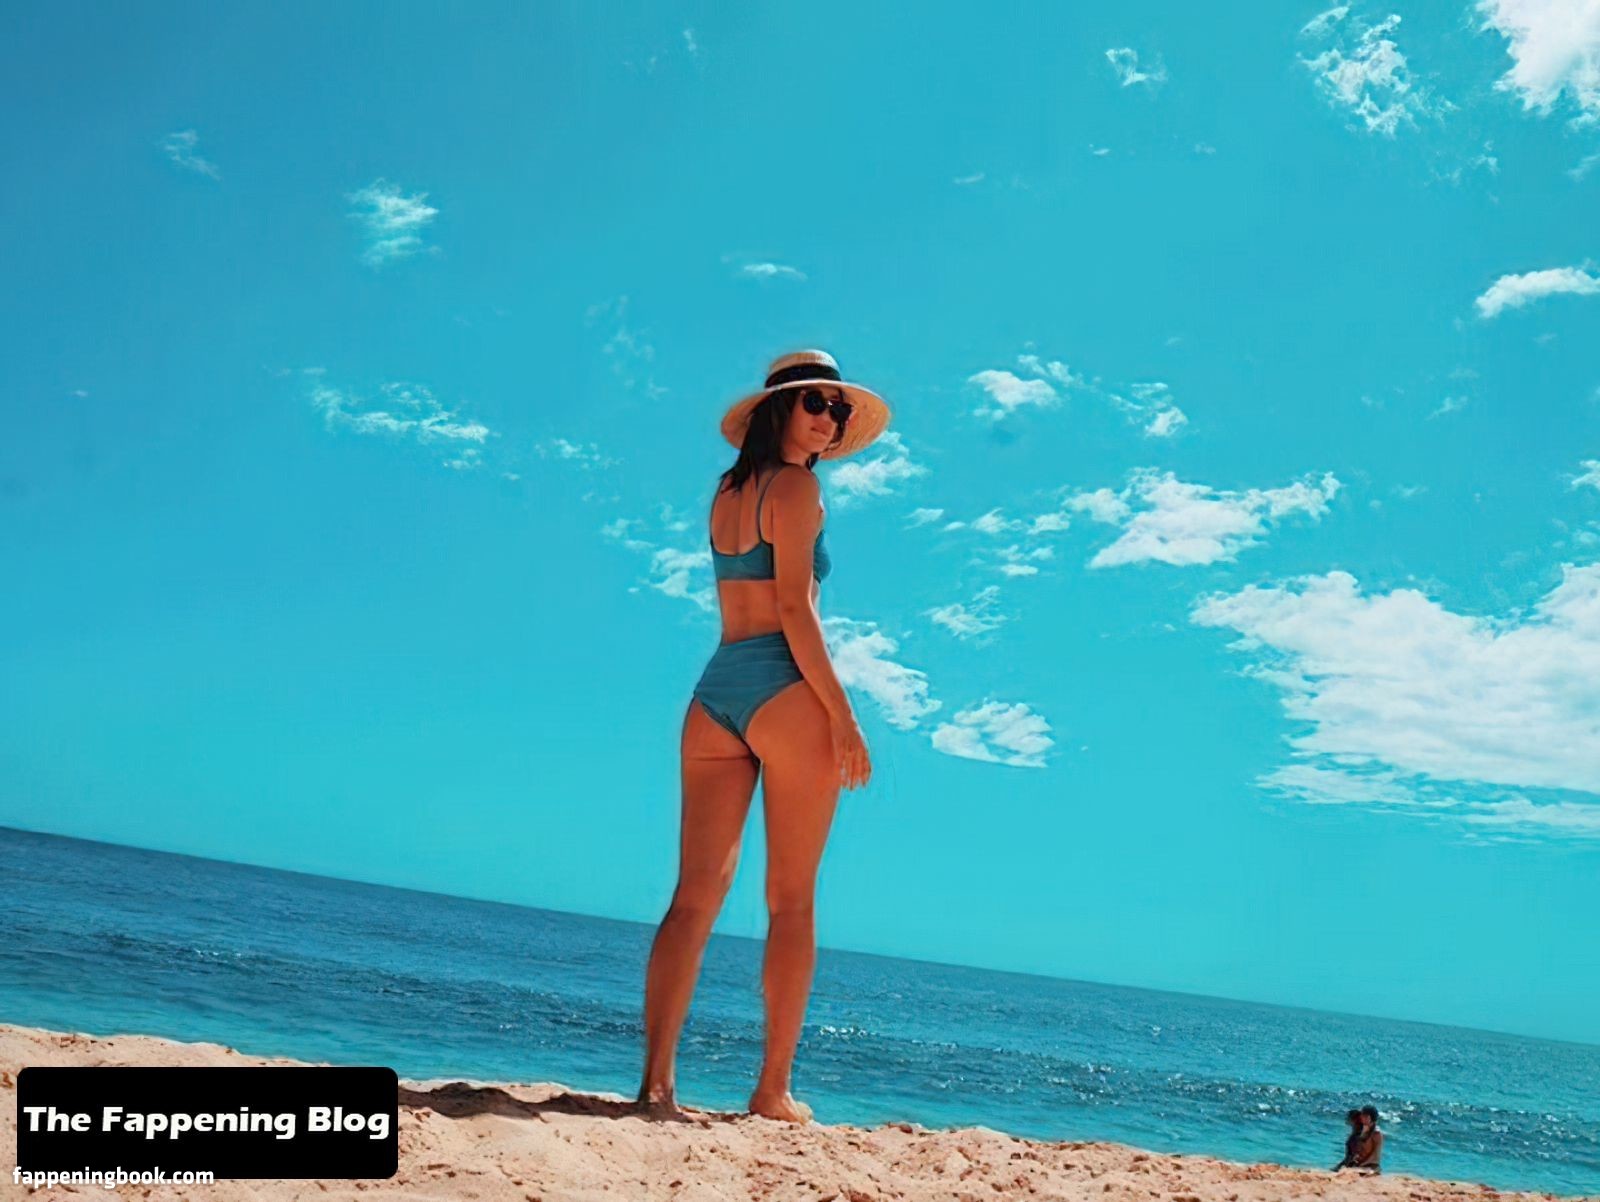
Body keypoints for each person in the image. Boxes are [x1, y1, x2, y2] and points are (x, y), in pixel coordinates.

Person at [635, 349, 890, 1123]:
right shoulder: (798, 488)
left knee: (693, 898)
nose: (830, 419)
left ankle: (655, 1085)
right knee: (791, 901)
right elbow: (793, 610)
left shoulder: (727, 491)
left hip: (716, 692)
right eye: (817, 402)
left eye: (839, 409)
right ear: (780, 407)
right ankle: (772, 1089)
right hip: (785, 690)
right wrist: (843, 715)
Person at [1334, 1105, 1383, 1173]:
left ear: (1368, 1117)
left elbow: (1373, 1155)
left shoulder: (1376, 1134)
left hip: (1370, 1167)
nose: (1360, 1117)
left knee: (1344, 1170)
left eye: (1362, 1115)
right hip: (1364, 1165)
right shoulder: (1367, 1130)